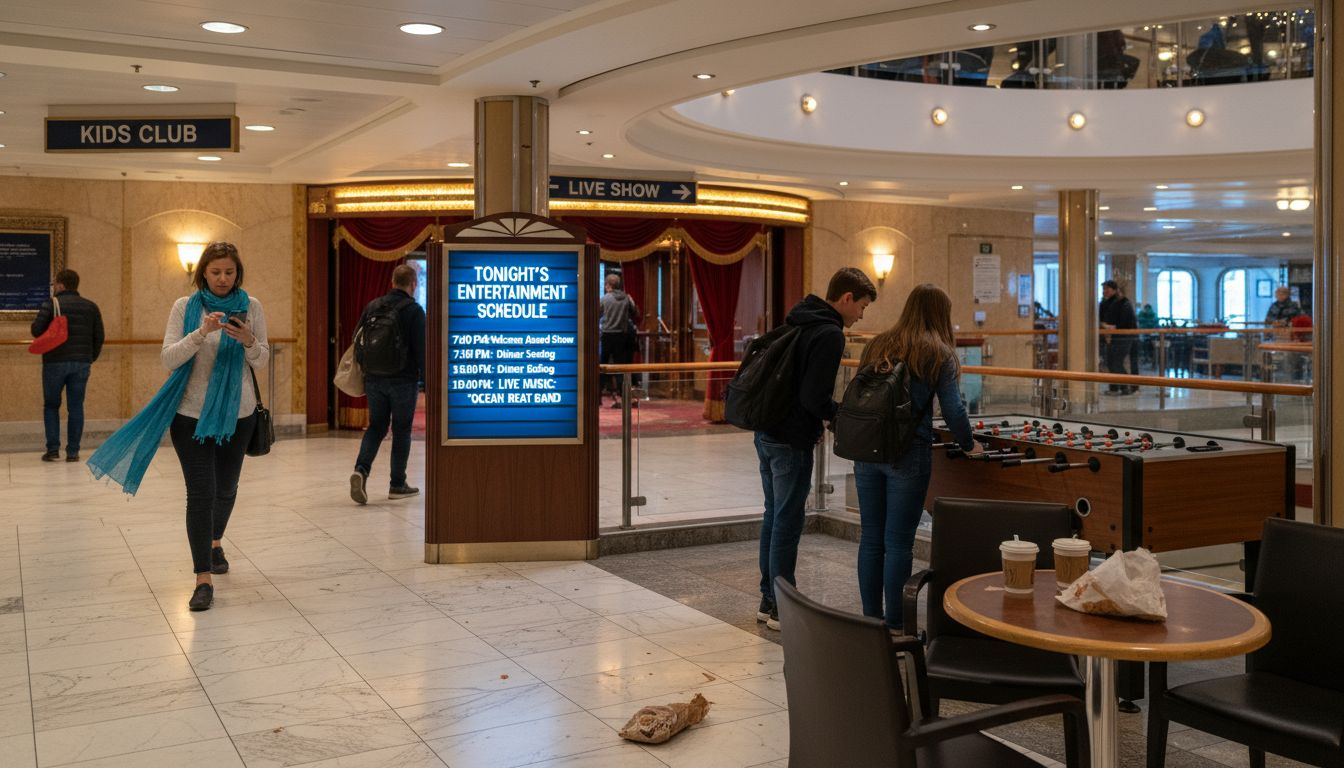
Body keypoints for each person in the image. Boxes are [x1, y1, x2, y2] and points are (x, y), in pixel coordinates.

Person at [87, 242, 268, 612]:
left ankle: (215, 540)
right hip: (190, 416)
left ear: (238, 273)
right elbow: (168, 358)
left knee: (227, 488)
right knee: (201, 494)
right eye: (216, 272)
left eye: (229, 272)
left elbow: (262, 359)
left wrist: (249, 340)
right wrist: (200, 333)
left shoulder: (252, 307)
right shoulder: (185, 308)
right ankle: (203, 577)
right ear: (203, 272)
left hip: (240, 414)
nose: (222, 279)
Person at [755, 266, 876, 631]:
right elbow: (813, 397)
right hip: (791, 437)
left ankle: (767, 598)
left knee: (773, 516)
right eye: (862, 307)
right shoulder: (829, 334)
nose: (860, 316)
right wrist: (837, 415)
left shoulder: (800, 318)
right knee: (788, 522)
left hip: (766, 431)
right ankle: (781, 607)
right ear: (846, 298)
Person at [853, 284, 976, 631]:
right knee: (898, 544)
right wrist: (968, 444)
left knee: (871, 538)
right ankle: (895, 624)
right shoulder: (938, 352)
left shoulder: (878, 343)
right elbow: (953, 410)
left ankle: (870, 621)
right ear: (942, 315)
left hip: (867, 450)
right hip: (909, 455)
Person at [350, 264, 426, 505]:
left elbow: (357, 340)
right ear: (413, 284)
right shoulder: (414, 310)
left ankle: (361, 470)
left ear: (392, 282)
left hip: (374, 379)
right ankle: (397, 484)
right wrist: (427, 381)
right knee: (402, 430)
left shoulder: (373, 306)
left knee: (376, 427)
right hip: (403, 380)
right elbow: (421, 349)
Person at [31, 269, 104, 462]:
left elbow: (36, 330)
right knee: (76, 407)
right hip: (81, 363)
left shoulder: (51, 304)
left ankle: (53, 450)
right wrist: (89, 358)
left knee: (51, 406)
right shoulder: (91, 306)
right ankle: (73, 452)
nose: (54, 287)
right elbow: (99, 336)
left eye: (55, 283)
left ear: (61, 285)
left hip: (54, 362)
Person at [598, 271, 641, 409]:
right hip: (622, 337)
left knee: (602, 367)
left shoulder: (605, 299)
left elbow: (596, 314)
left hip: (606, 336)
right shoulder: (627, 298)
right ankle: (624, 398)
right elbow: (636, 313)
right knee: (620, 368)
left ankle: (596, 397)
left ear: (609, 285)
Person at [1099, 279, 1137, 394]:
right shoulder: (1106, 303)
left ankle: (1125, 386)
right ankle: (1115, 387)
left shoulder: (1123, 303)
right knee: (1111, 362)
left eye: (1107, 289)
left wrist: (1112, 327)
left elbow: (1126, 322)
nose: (1104, 291)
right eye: (1103, 289)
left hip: (1123, 337)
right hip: (1113, 337)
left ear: (1115, 290)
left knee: (1116, 362)